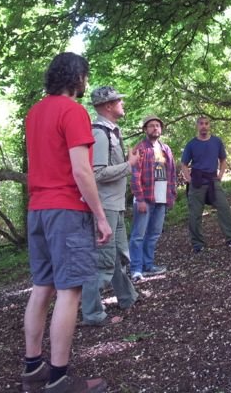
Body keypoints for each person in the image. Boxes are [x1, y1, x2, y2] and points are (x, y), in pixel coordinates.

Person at [22, 53, 111, 393]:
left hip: (38, 210)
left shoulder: (35, 112)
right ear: (78, 77)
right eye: (85, 77)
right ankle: (59, 378)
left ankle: (33, 368)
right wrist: (100, 215)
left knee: (42, 287)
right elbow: (81, 169)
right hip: (66, 209)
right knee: (70, 290)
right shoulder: (72, 111)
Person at [80, 87, 139, 327]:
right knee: (104, 262)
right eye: (118, 101)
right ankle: (92, 314)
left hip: (115, 205)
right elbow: (97, 173)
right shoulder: (100, 134)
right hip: (105, 207)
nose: (122, 103)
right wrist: (130, 165)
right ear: (107, 106)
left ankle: (128, 297)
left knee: (118, 256)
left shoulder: (112, 131)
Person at [180, 116, 231, 252]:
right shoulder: (191, 144)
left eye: (206, 123)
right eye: (201, 124)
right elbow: (184, 164)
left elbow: (223, 159)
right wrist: (189, 179)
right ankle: (198, 244)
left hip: (212, 181)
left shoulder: (216, 142)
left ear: (209, 126)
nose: (204, 126)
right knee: (195, 214)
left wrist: (220, 175)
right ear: (197, 126)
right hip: (197, 182)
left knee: (224, 208)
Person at [129, 115, 177, 281]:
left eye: (157, 125)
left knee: (154, 234)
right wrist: (140, 199)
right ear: (145, 129)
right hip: (145, 198)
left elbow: (172, 173)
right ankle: (135, 268)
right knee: (138, 235)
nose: (155, 128)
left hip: (162, 198)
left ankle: (148, 265)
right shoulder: (140, 149)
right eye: (151, 126)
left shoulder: (166, 149)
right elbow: (135, 176)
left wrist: (172, 195)